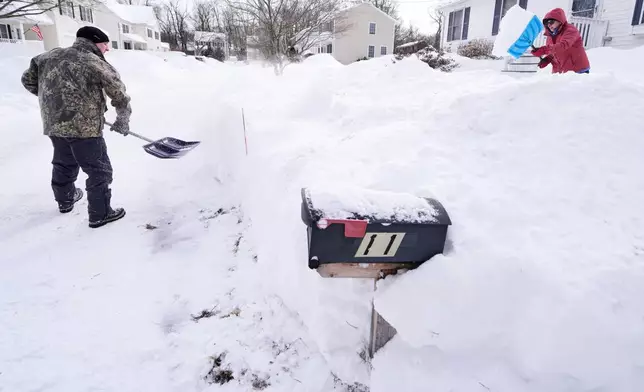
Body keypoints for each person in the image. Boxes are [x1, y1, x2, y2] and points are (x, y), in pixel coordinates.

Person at [21, 26, 131, 228]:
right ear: (95, 42)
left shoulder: (47, 56)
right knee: (98, 170)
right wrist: (123, 119)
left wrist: (53, 102)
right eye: (105, 44)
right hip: (85, 128)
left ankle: (65, 200)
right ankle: (101, 213)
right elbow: (118, 92)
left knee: (64, 163)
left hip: (55, 123)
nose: (107, 48)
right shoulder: (93, 61)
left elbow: (27, 80)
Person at [531, 8, 590, 74]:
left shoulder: (570, 30)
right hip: (561, 72)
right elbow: (554, 51)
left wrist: (544, 50)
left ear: (559, 20)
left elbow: (563, 46)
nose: (549, 25)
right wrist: (547, 59)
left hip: (577, 71)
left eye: (551, 22)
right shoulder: (550, 36)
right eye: (547, 23)